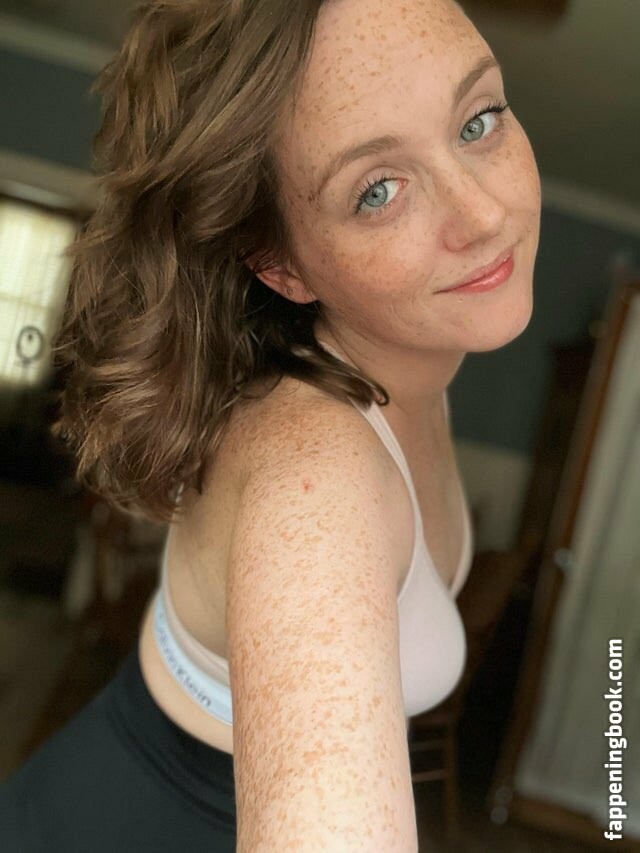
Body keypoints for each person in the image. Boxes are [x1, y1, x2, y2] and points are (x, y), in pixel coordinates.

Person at [0, 0, 541, 849]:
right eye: (378, 190)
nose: (483, 213)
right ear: (281, 263)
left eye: (478, 120)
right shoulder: (315, 475)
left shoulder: (408, 354)